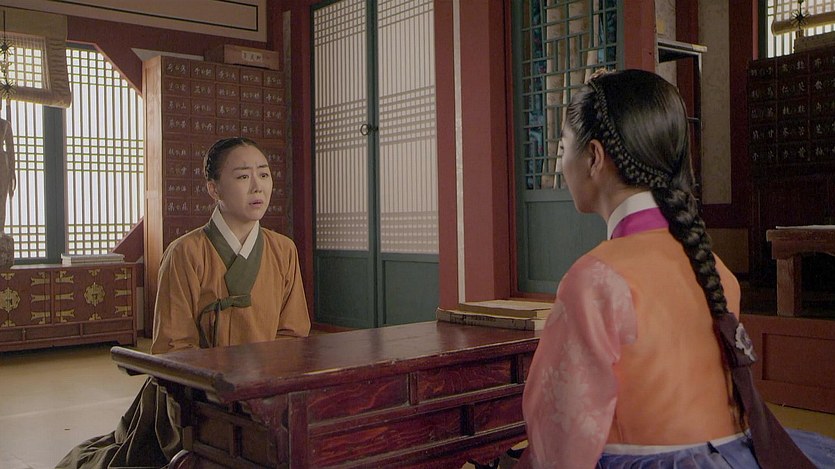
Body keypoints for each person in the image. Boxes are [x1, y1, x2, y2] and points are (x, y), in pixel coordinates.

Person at [517, 70, 835, 468]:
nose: (560, 163)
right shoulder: (714, 267)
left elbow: (561, 435)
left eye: (563, 147)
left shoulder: (595, 280)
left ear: (594, 157)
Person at [57, 137, 310, 468]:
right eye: (242, 176)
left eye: (263, 174)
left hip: (262, 393)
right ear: (214, 189)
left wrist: (261, 386)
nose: (257, 186)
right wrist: (217, 389)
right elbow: (174, 347)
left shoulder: (283, 250)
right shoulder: (185, 253)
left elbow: (293, 334)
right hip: (195, 397)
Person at [0, 102, 15, 233]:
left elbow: (11, 151)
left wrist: (12, 172)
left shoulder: (5, 124)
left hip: (2, 164)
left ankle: (0, 229)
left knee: (1, 198)